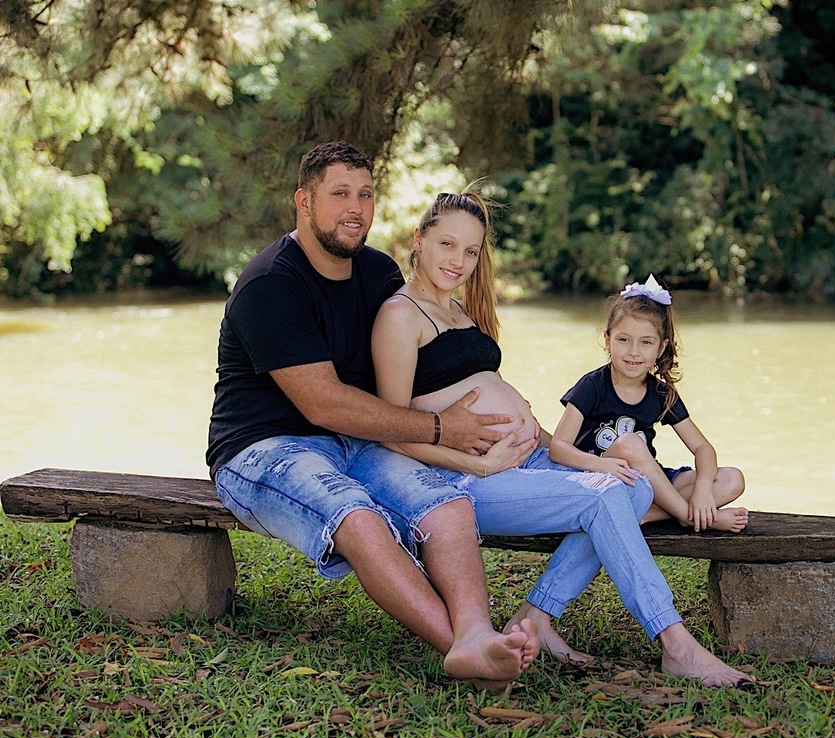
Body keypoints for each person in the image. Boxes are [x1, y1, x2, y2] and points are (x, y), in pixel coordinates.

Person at [371, 187, 755, 687]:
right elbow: (392, 431)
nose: (458, 261)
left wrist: (546, 442)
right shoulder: (400, 316)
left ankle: (533, 619)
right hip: (466, 481)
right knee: (607, 497)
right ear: (418, 240)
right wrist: (480, 465)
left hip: (527, 459)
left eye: (470, 251)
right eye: (447, 245)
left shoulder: (458, 310)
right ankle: (675, 644)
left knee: (633, 483)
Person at [205, 142, 539, 689]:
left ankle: (477, 632)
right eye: (339, 194)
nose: (355, 208)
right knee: (356, 516)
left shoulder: (378, 272)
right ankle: (463, 648)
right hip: (262, 448)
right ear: (304, 202)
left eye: (365, 194)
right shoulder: (271, 284)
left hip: (354, 440)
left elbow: (423, 352)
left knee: (445, 503)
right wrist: (441, 428)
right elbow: (323, 402)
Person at [549, 275, 749, 533]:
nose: (634, 351)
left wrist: (702, 492)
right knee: (630, 443)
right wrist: (603, 464)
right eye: (624, 340)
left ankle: (654, 514)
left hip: (646, 482)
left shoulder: (661, 393)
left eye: (646, 342)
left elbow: (702, 448)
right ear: (608, 340)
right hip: (601, 480)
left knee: (732, 479)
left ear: (660, 347)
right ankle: (689, 517)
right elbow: (558, 448)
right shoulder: (592, 386)